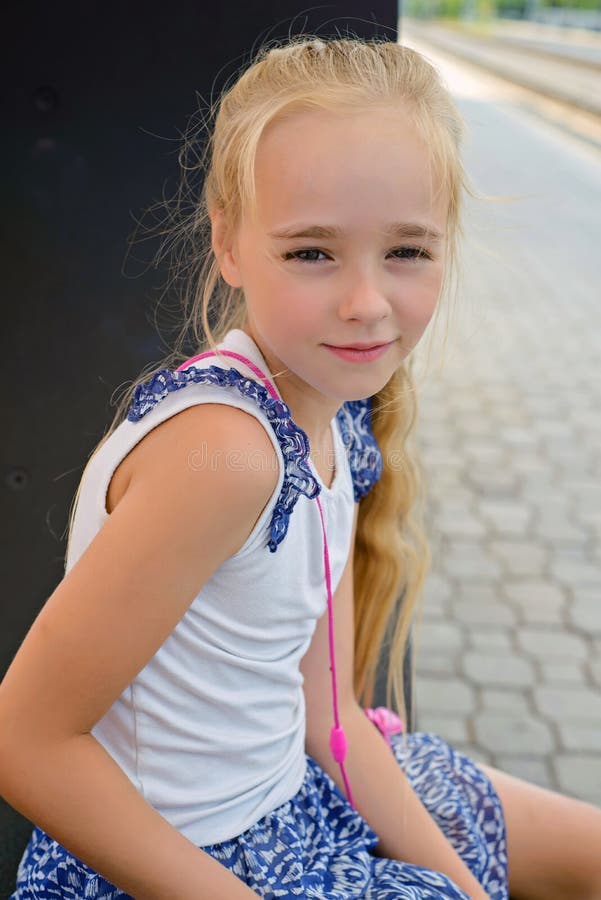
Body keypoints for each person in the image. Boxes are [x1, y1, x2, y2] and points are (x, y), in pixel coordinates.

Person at [1, 33, 600, 900]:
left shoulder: (328, 425)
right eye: (312, 252)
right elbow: (26, 738)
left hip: (296, 800)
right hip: (181, 863)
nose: (365, 303)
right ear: (230, 245)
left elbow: (333, 721)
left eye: (407, 251)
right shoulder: (226, 457)